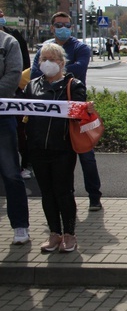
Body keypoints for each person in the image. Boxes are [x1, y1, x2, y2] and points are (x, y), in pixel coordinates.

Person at [32, 12, 104, 212]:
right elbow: (35, 73)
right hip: (51, 114)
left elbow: (79, 70)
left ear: (71, 27)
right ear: (52, 27)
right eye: (58, 24)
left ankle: (94, 196)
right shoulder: (44, 47)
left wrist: (55, 70)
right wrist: (55, 69)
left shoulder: (80, 47)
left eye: (66, 24)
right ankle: (67, 197)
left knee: (86, 155)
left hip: (75, 108)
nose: (62, 27)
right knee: (62, 161)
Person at [24, 43, 87, 252]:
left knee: (63, 192)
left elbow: (79, 114)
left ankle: (69, 234)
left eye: (51, 59)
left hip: (62, 149)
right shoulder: (32, 86)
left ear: (61, 62)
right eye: (43, 59)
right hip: (38, 148)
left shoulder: (73, 85)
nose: (46, 63)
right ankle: (54, 234)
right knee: (47, 193)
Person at [0, 24, 30, 245]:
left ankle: (20, 226)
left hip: (2, 118)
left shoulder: (8, 43)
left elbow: (12, 77)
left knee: (11, 173)